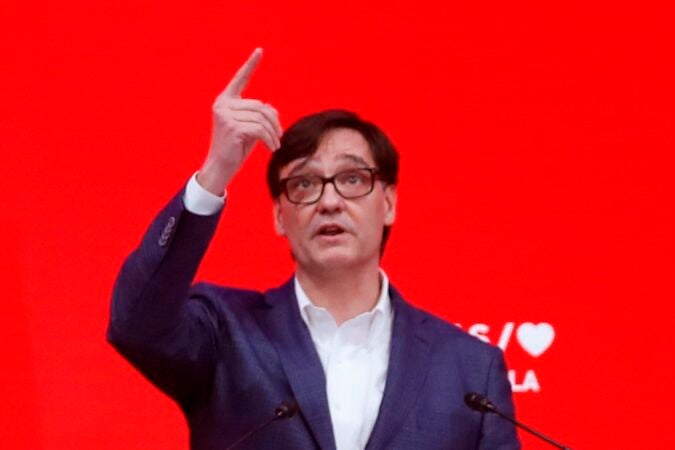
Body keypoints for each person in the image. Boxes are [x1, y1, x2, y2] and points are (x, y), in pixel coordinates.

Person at [107, 48, 520, 450]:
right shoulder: (225, 332)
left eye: (352, 179)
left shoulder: (469, 369)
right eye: (304, 184)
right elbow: (135, 323)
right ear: (279, 216)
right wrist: (216, 170)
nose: (330, 201)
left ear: (389, 203)